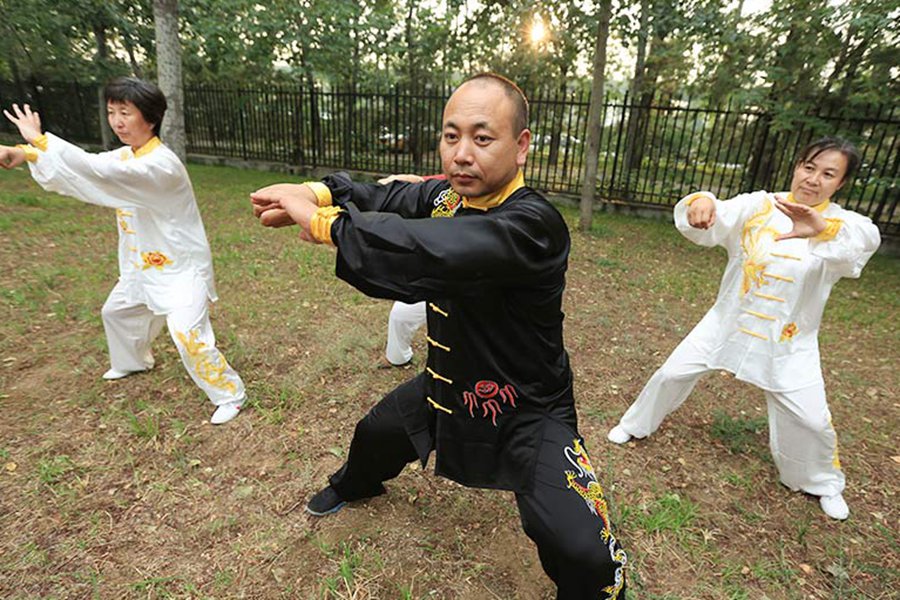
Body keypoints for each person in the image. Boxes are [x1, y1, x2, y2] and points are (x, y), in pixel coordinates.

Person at [251, 73, 627, 598]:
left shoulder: (532, 223)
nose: (462, 154)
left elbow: (437, 247)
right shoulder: (449, 200)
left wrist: (325, 224)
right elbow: (389, 195)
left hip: (527, 405)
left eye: (482, 137)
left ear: (520, 147)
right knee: (375, 434)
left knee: (583, 552)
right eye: (452, 136)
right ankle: (354, 485)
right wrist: (312, 190)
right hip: (447, 383)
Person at [606, 137, 881, 520]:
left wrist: (821, 229)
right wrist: (700, 201)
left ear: (840, 183)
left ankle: (821, 482)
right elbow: (717, 213)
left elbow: (860, 246)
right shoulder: (761, 205)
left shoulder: (844, 224)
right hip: (727, 322)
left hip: (790, 340)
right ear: (796, 166)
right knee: (671, 372)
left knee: (811, 419)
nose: (814, 179)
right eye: (808, 167)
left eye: (828, 174)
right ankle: (635, 425)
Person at [0, 77, 246, 425]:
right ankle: (133, 362)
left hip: (179, 267)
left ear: (150, 118)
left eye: (125, 113)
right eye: (112, 112)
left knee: (187, 334)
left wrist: (37, 142)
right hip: (140, 264)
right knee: (116, 312)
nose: (116, 121)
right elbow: (88, 169)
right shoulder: (124, 154)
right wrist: (22, 154)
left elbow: (99, 172)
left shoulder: (162, 165)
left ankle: (231, 395)